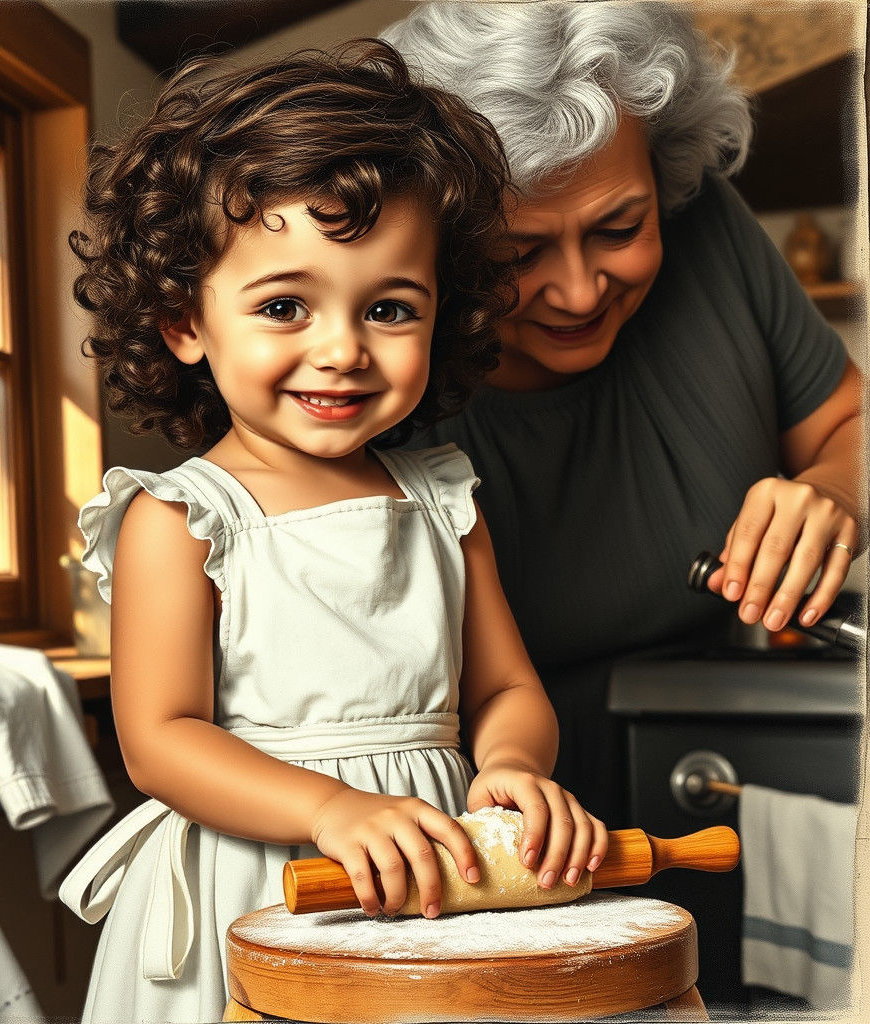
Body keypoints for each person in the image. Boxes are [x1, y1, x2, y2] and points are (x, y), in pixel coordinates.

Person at [57, 41, 607, 1023]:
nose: (343, 348)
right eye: (283, 305)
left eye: (389, 307)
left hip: (433, 877)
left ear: (441, 316)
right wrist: (327, 810)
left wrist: (513, 766)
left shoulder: (440, 500)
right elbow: (159, 740)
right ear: (186, 318)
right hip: (260, 884)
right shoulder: (180, 517)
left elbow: (507, 689)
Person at [383, 2, 864, 826]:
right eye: (516, 254)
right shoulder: (370, 346)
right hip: (467, 814)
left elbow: (848, 423)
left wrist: (836, 493)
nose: (579, 291)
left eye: (620, 227)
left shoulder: (706, 224)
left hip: (715, 764)